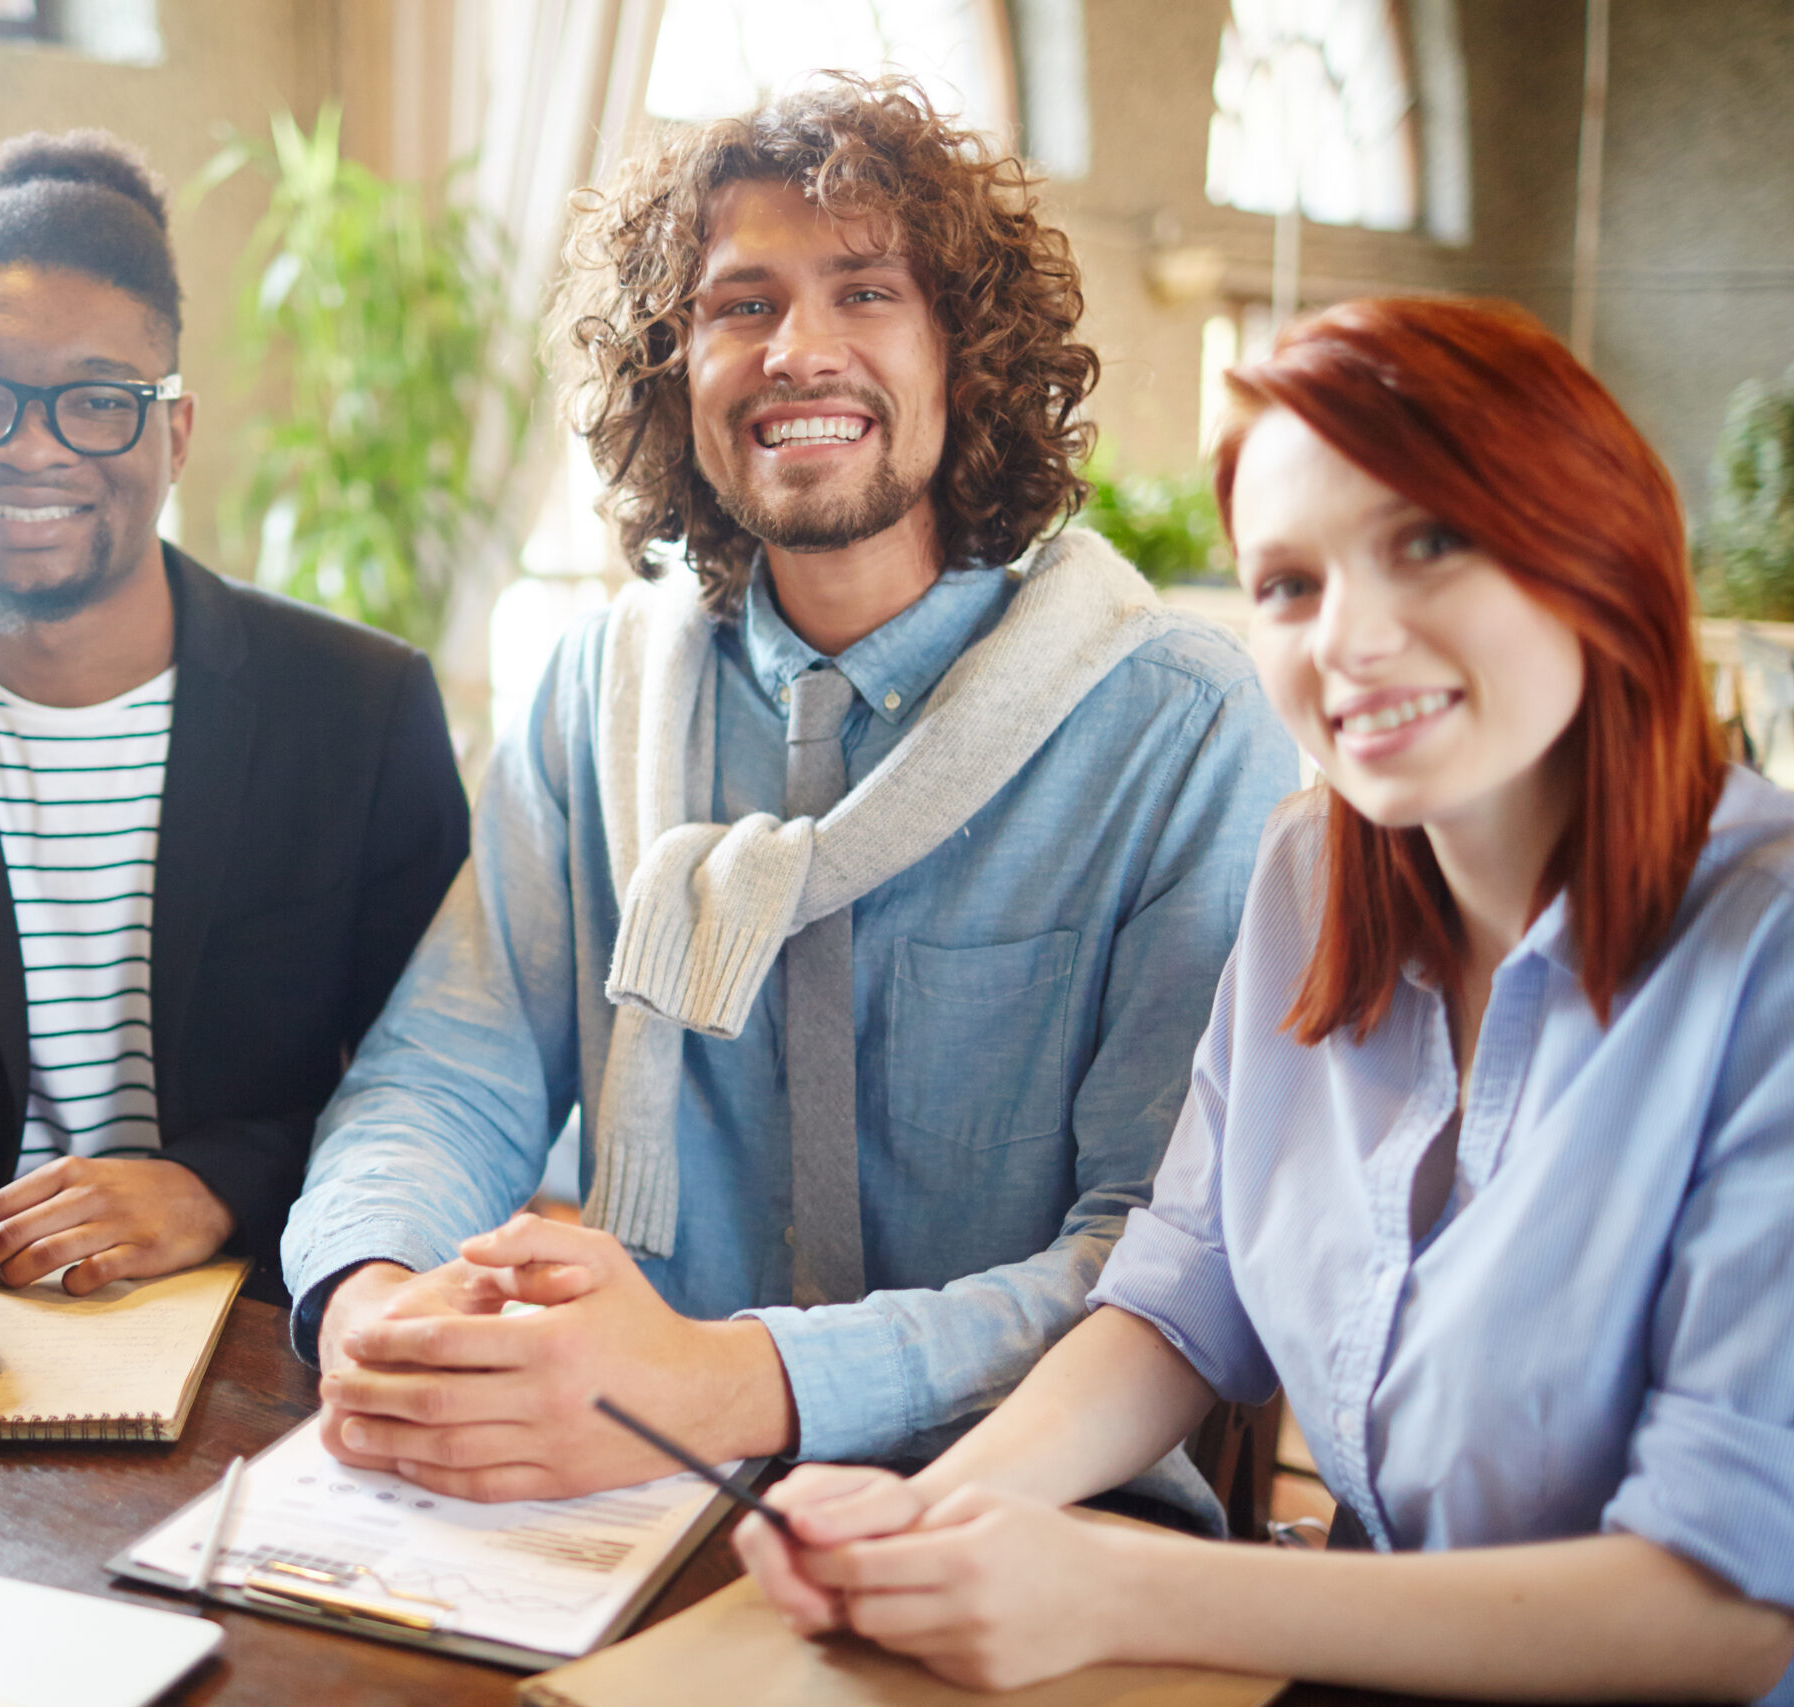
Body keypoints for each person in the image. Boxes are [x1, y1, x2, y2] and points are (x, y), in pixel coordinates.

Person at [734, 297, 1794, 1703]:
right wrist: (939, 1512)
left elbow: (1724, 1615)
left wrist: (1118, 1586)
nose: (1350, 639)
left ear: (1593, 548)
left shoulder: (1776, 949)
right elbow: (1180, 1302)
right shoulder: (1311, 869)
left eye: (1429, 540)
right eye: (1292, 583)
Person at [281, 75, 1298, 1505]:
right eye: (739, 304)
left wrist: (737, 1380)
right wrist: (373, 1293)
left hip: (1040, 1514)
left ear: (969, 355)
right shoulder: (594, 694)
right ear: (671, 367)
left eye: (868, 292)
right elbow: (446, 1070)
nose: (798, 353)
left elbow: (1159, 1255)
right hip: (642, 1487)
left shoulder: (1172, 727)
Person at [0, 131, 470, 1384]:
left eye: (97, 400)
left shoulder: (356, 706)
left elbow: (444, 1077)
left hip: (294, 1304)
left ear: (176, 430)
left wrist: (212, 1186)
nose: (32, 450)